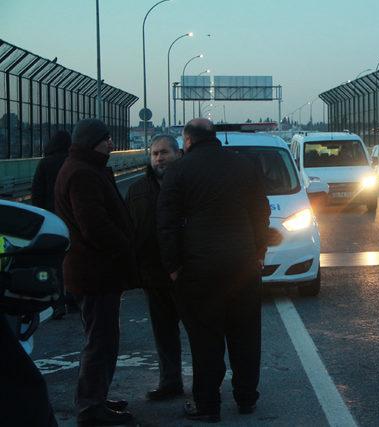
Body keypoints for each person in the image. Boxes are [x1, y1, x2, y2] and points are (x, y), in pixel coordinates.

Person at [157, 119, 270, 423]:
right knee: (246, 335)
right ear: (214, 137)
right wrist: (260, 251)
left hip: (198, 269)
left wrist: (173, 267)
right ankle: (246, 397)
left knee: (205, 339)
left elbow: (166, 224)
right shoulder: (244, 166)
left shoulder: (178, 171)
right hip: (243, 265)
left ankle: (207, 405)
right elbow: (261, 211)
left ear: (188, 141)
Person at [54, 118, 138, 426]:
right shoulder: (83, 174)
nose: (111, 145)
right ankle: (90, 407)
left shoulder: (86, 168)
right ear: (92, 141)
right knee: (100, 341)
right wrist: (126, 244)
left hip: (95, 271)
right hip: (95, 272)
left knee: (102, 338)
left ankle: (96, 397)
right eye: (106, 141)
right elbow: (94, 226)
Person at [125, 134, 184, 401]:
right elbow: (131, 231)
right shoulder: (137, 190)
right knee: (164, 333)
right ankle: (170, 382)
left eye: (164, 153)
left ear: (178, 154)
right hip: (154, 273)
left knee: (200, 331)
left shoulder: (190, 184)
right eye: (155, 154)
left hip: (188, 272)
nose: (159, 158)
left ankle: (207, 385)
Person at [31, 130, 76, 320]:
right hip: (71, 217)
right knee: (72, 257)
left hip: (51, 219)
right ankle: (74, 298)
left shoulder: (45, 163)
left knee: (55, 261)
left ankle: (57, 303)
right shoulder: (72, 162)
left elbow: (37, 193)